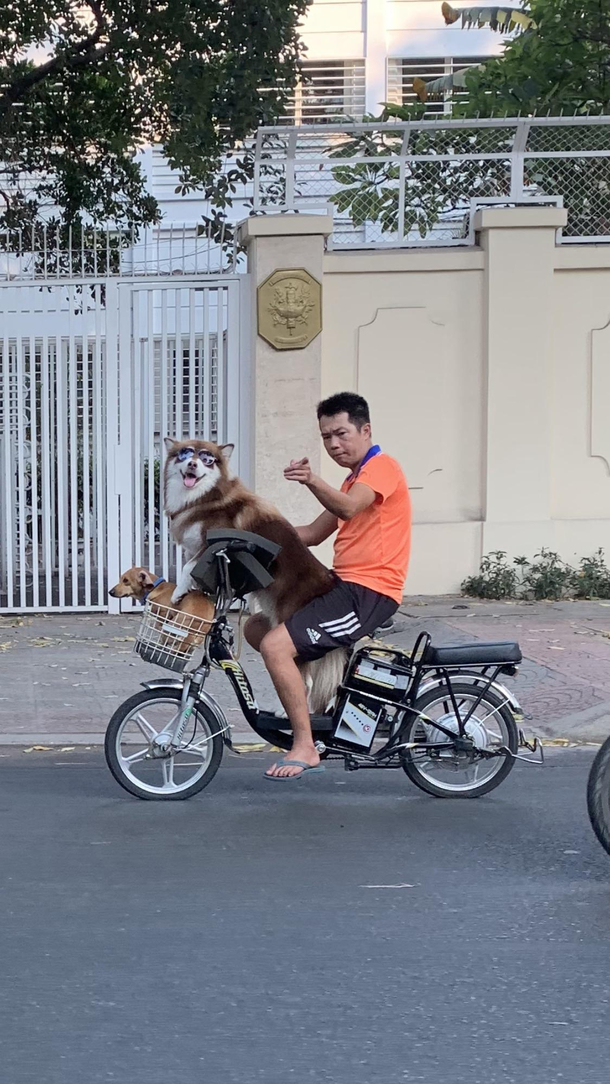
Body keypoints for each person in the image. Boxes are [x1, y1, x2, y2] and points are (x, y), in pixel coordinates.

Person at [246, 391, 411, 780]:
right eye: (325, 437)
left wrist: (310, 479)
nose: (334, 444)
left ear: (365, 429)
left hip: (369, 593)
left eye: (341, 434)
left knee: (275, 645)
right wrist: (251, 533)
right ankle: (317, 706)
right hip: (341, 587)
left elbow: (348, 508)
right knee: (256, 628)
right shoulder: (354, 480)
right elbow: (310, 535)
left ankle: (305, 744)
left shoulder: (381, 468)